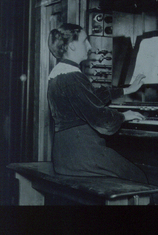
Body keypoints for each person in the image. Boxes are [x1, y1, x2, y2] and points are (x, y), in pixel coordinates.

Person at [47, 23, 149, 185]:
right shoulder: (72, 77)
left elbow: (91, 97)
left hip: (65, 154)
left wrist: (126, 90)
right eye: (85, 41)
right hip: (81, 154)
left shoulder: (60, 73)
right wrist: (124, 116)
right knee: (139, 177)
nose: (90, 46)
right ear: (72, 46)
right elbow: (102, 120)